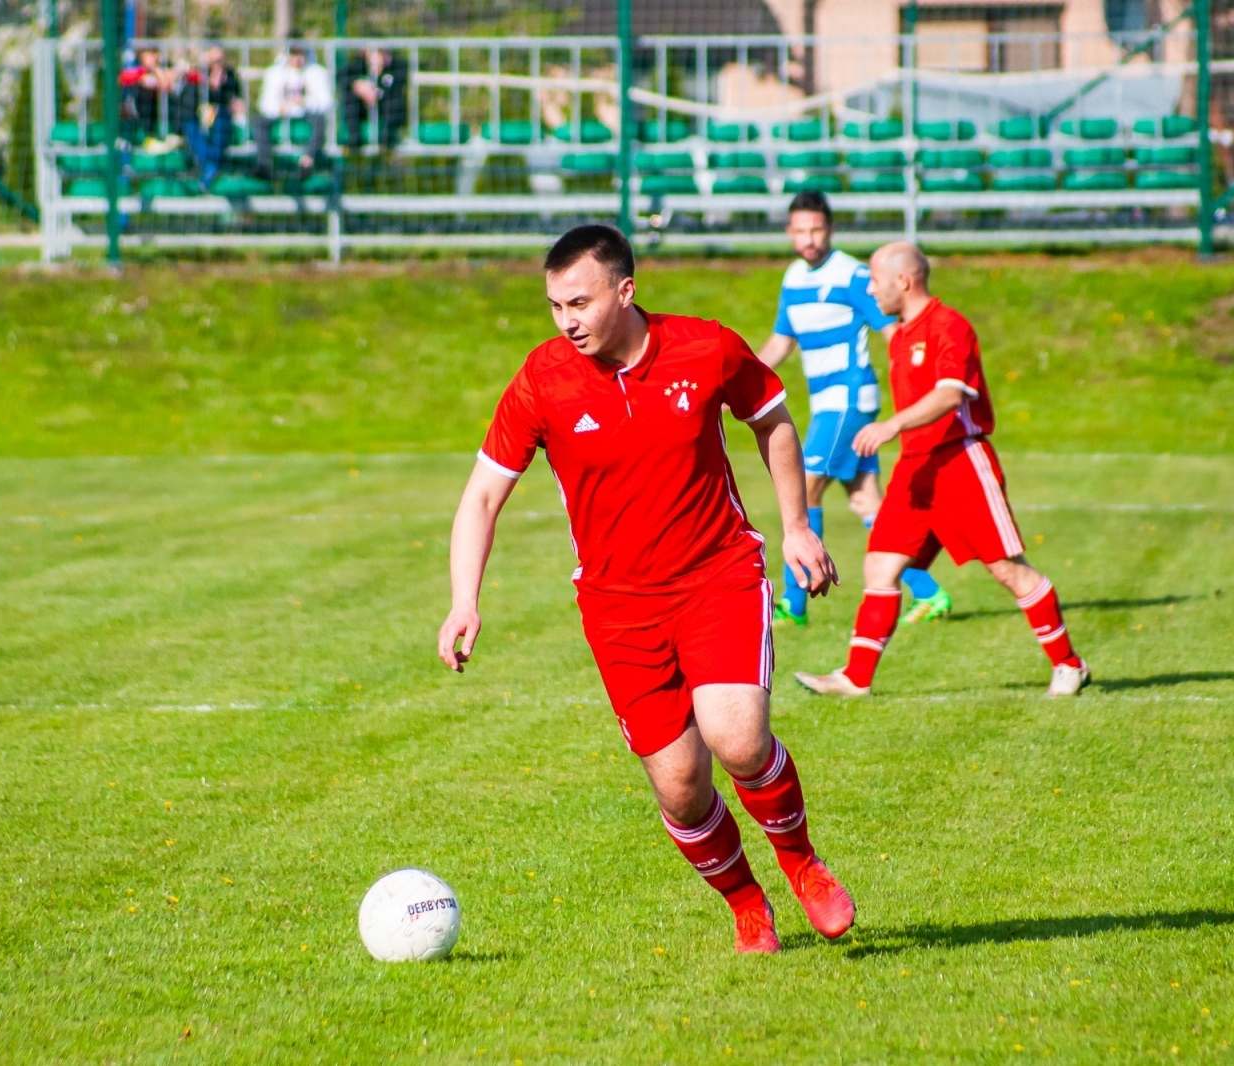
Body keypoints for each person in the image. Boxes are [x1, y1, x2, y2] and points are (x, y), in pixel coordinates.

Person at [438, 224, 856, 954]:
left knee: (738, 737)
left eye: (579, 302)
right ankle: (746, 903)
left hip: (717, 574)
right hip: (618, 607)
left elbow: (774, 422)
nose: (566, 321)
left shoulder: (705, 347)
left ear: (625, 291)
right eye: (553, 306)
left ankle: (801, 863)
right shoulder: (543, 378)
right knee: (681, 785)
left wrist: (797, 525)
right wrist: (463, 600)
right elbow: (480, 497)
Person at [795, 243, 1090, 699]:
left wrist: (892, 423)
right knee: (879, 566)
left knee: (1009, 571)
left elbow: (952, 393)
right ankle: (855, 678)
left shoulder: (949, 326)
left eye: (874, 279)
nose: (869, 288)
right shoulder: (901, 332)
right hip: (916, 469)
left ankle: (1070, 665)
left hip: (959, 463)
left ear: (904, 281)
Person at [757, 190, 953, 629]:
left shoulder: (852, 275)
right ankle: (930, 593)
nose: (809, 238)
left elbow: (894, 333)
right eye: (801, 230)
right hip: (829, 405)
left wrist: (914, 397)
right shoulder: (793, 278)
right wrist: (739, 376)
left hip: (848, 402)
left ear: (830, 229)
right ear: (789, 232)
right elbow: (781, 342)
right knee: (869, 503)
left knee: (803, 489)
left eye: (817, 229)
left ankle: (795, 601)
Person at [254, 45, 334, 178]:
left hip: (307, 113)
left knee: (319, 121)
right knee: (259, 121)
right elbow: (264, 104)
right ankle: (264, 163)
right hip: (281, 114)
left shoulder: (316, 73)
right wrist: (279, 108)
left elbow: (326, 103)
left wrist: (305, 102)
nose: (298, 59)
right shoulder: (274, 73)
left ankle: (308, 161)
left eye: (301, 54)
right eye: (294, 54)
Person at [182, 47, 245, 189]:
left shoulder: (230, 76)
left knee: (221, 121)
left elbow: (234, 99)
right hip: (197, 117)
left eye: (220, 60)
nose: (218, 64)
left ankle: (210, 168)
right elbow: (189, 101)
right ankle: (211, 166)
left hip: (221, 118)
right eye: (214, 61)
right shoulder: (198, 75)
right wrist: (209, 85)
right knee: (190, 126)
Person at [341, 47, 408, 151]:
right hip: (364, 110)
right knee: (350, 97)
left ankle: (387, 137)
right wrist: (357, 84)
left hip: (385, 110)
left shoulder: (395, 67)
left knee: (393, 101)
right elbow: (341, 75)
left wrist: (375, 91)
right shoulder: (358, 67)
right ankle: (354, 137)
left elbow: (393, 85)